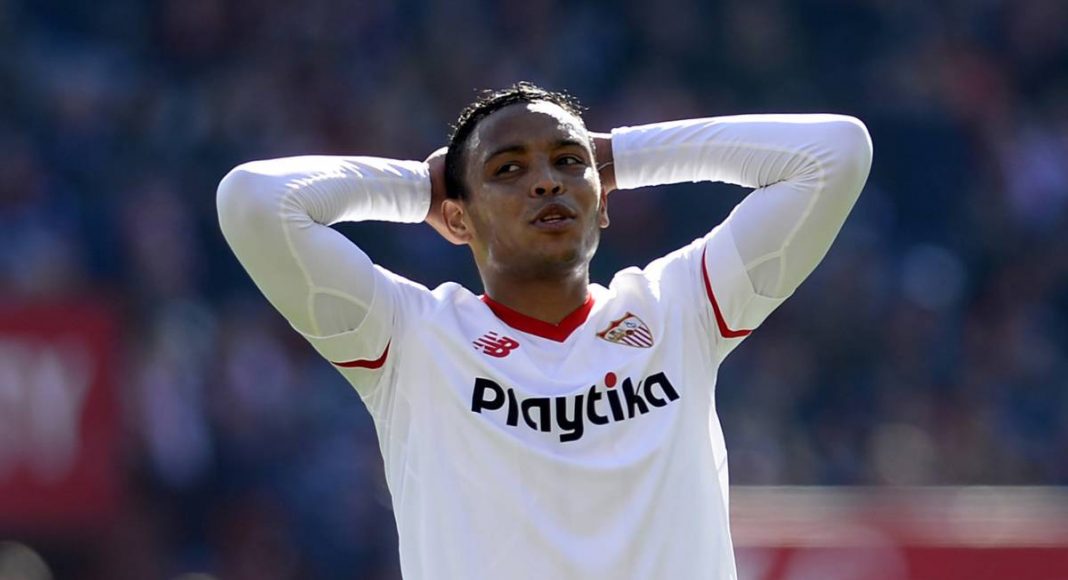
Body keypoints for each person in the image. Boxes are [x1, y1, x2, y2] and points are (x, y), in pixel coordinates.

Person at [217, 82, 872, 580]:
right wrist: (419, 188)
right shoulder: (411, 340)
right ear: (458, 219)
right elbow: (253, 200)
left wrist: (619, 156)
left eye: (567, 163)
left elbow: (836, 152)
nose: (545, 183)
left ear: (602, 202)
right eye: (508, 169)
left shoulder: (678, 309)